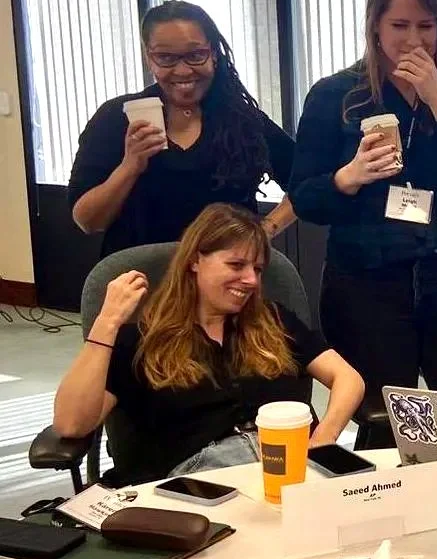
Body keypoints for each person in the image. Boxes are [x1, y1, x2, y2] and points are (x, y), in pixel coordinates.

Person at [289, 0, 437, 448]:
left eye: (426, 26)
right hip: (366, 285)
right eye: (400, 25)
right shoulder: (335, 96)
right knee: (384, 429)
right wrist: (347, 178)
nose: (414, 38)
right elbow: (305, 197)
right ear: (375, 25)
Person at [51, 204, 364, 486]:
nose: (252, 281)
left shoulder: (273, 320)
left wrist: (324, 438)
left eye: (256, 269)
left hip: (293, 461)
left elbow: (348, 379)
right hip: (204, 478)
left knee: (374, 505)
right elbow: (71, 424)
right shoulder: (143, 341)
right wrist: (107, 323)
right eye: (236, 265)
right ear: (194, 261)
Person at [68, 0, 295, 257]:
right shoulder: (116, 118)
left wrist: (264, 230)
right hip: (141, 281)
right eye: (165, 58)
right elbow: (87, 221)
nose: (183, 70)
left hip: (226, 283)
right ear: (148, 58)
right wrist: (130, 166)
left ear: (213, 55)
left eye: (195, 55)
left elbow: (303, 182)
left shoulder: (243, 120)